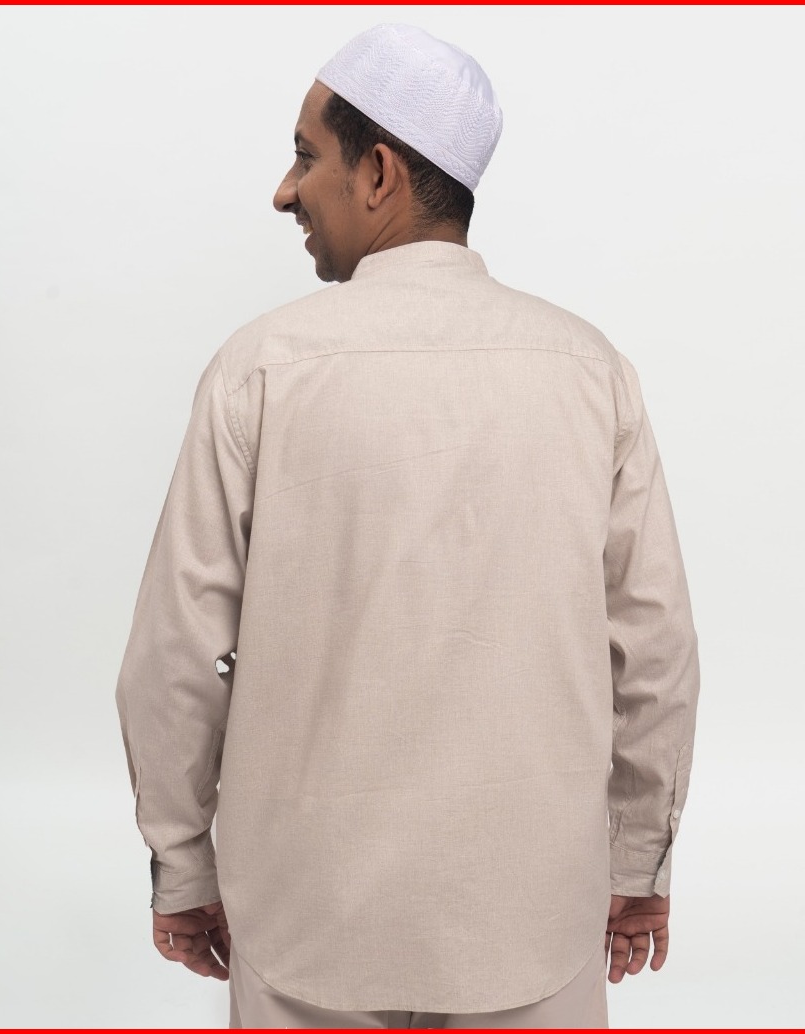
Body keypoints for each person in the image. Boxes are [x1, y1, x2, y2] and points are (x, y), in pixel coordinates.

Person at [116, 23, 700, 1030]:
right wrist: (636, 858)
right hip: (532, 924)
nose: (285, 191)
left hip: (306, 922)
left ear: (379, 171)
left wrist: (183, 863)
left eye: (306, 155)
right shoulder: (587, 369)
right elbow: (653, 647)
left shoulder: (261, 368)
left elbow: (175, 654)